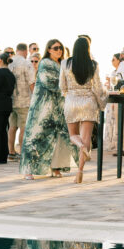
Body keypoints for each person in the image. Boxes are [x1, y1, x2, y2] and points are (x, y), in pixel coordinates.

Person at [20, 39, 79, 180]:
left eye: (61, 48)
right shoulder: (45, 63)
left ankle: (56, 167)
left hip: (59, 107)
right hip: (43, 107)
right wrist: (69, 86)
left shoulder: (62, 63)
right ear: (49, 49)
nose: (59, 50)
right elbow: (50, 82)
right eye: (56, 48)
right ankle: (29, 170)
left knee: (58, 138)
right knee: (36, 137)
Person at [61, 36, 108, 184]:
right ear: (88, 49)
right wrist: (103, 101)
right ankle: (80, 171)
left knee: (73, 135)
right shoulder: (93, 65)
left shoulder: (65, 63)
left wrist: (68, 95)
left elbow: (62, 86)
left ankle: (80, 145)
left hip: (72, 102)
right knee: (86, 138)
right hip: (88, 103)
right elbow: (98, 88)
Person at [8, 43, 35, 159]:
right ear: (25, 51)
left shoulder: (9, 62)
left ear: (16, 50)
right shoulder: (26, 63)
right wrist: (35, 97)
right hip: (24, 101)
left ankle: (11, 152)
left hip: (10, 100)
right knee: (23, 127)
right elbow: (31, 82)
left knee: (12, 127)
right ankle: (22, 152)